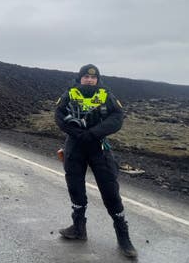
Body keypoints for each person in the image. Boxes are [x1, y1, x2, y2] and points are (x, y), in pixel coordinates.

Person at [55, 64, 137, 259]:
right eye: (86, 77)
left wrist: (93, 133)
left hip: (98, 147)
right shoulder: (69, 94)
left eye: (93, 78)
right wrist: (76, 133)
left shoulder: (106, 95)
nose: (90, 80)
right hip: (75, 146)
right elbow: (59, 115)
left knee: (110, 190)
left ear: (98, 79)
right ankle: (78, 228)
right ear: (80, 78)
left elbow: (117, 117)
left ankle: (123, 237)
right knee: (75, 188)